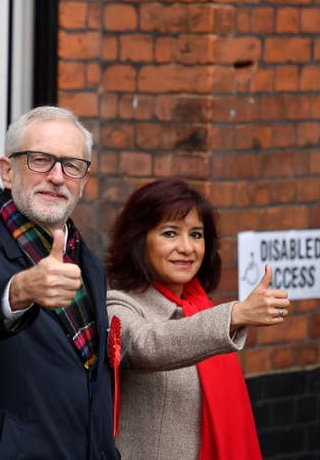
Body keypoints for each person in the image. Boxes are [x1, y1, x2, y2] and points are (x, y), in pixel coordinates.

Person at [0, 106, 117, 459]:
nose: (58, 177)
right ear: (7, 171)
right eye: (40, 160)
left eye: (72, 165)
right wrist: (21, 289)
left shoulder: (87, 262)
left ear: (84, 182)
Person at [105, 178, 290, 460]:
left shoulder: (200, 307)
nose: (187, 248)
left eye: (196, 234)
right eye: (170, 234)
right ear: (139, 241)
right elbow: (147, 346)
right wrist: (236, 314)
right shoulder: (120, 305)